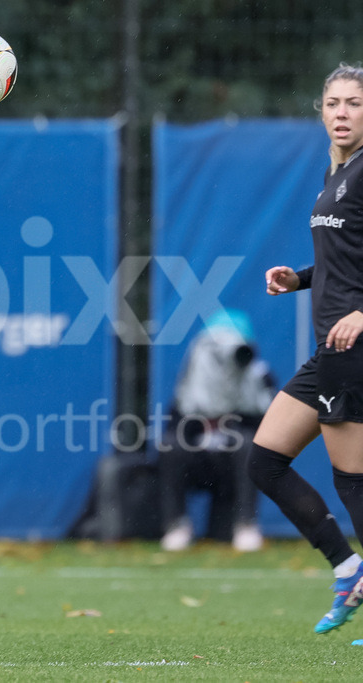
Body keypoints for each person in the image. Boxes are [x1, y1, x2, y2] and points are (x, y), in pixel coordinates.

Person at [250, 63, 363, 638]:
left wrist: (362, 314)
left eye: (355, 103)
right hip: (331, 348)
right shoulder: (334, 173)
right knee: (265, 459)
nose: (342, 113)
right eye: (333, 103)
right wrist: (298, 278)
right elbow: (344, 266)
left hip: (355, 345)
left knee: (354, 481)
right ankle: (348, 567)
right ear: (320, 111)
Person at [158, 310, 275, 552]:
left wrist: (233, 419)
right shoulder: (189, 385)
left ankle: (246, 525)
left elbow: (268, 430)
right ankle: (176, 525)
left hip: (235, 468)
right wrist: (200, 418)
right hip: (199, 462)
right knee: (170, 446)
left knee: (247, 445)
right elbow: (174, 427)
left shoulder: (260, 378)